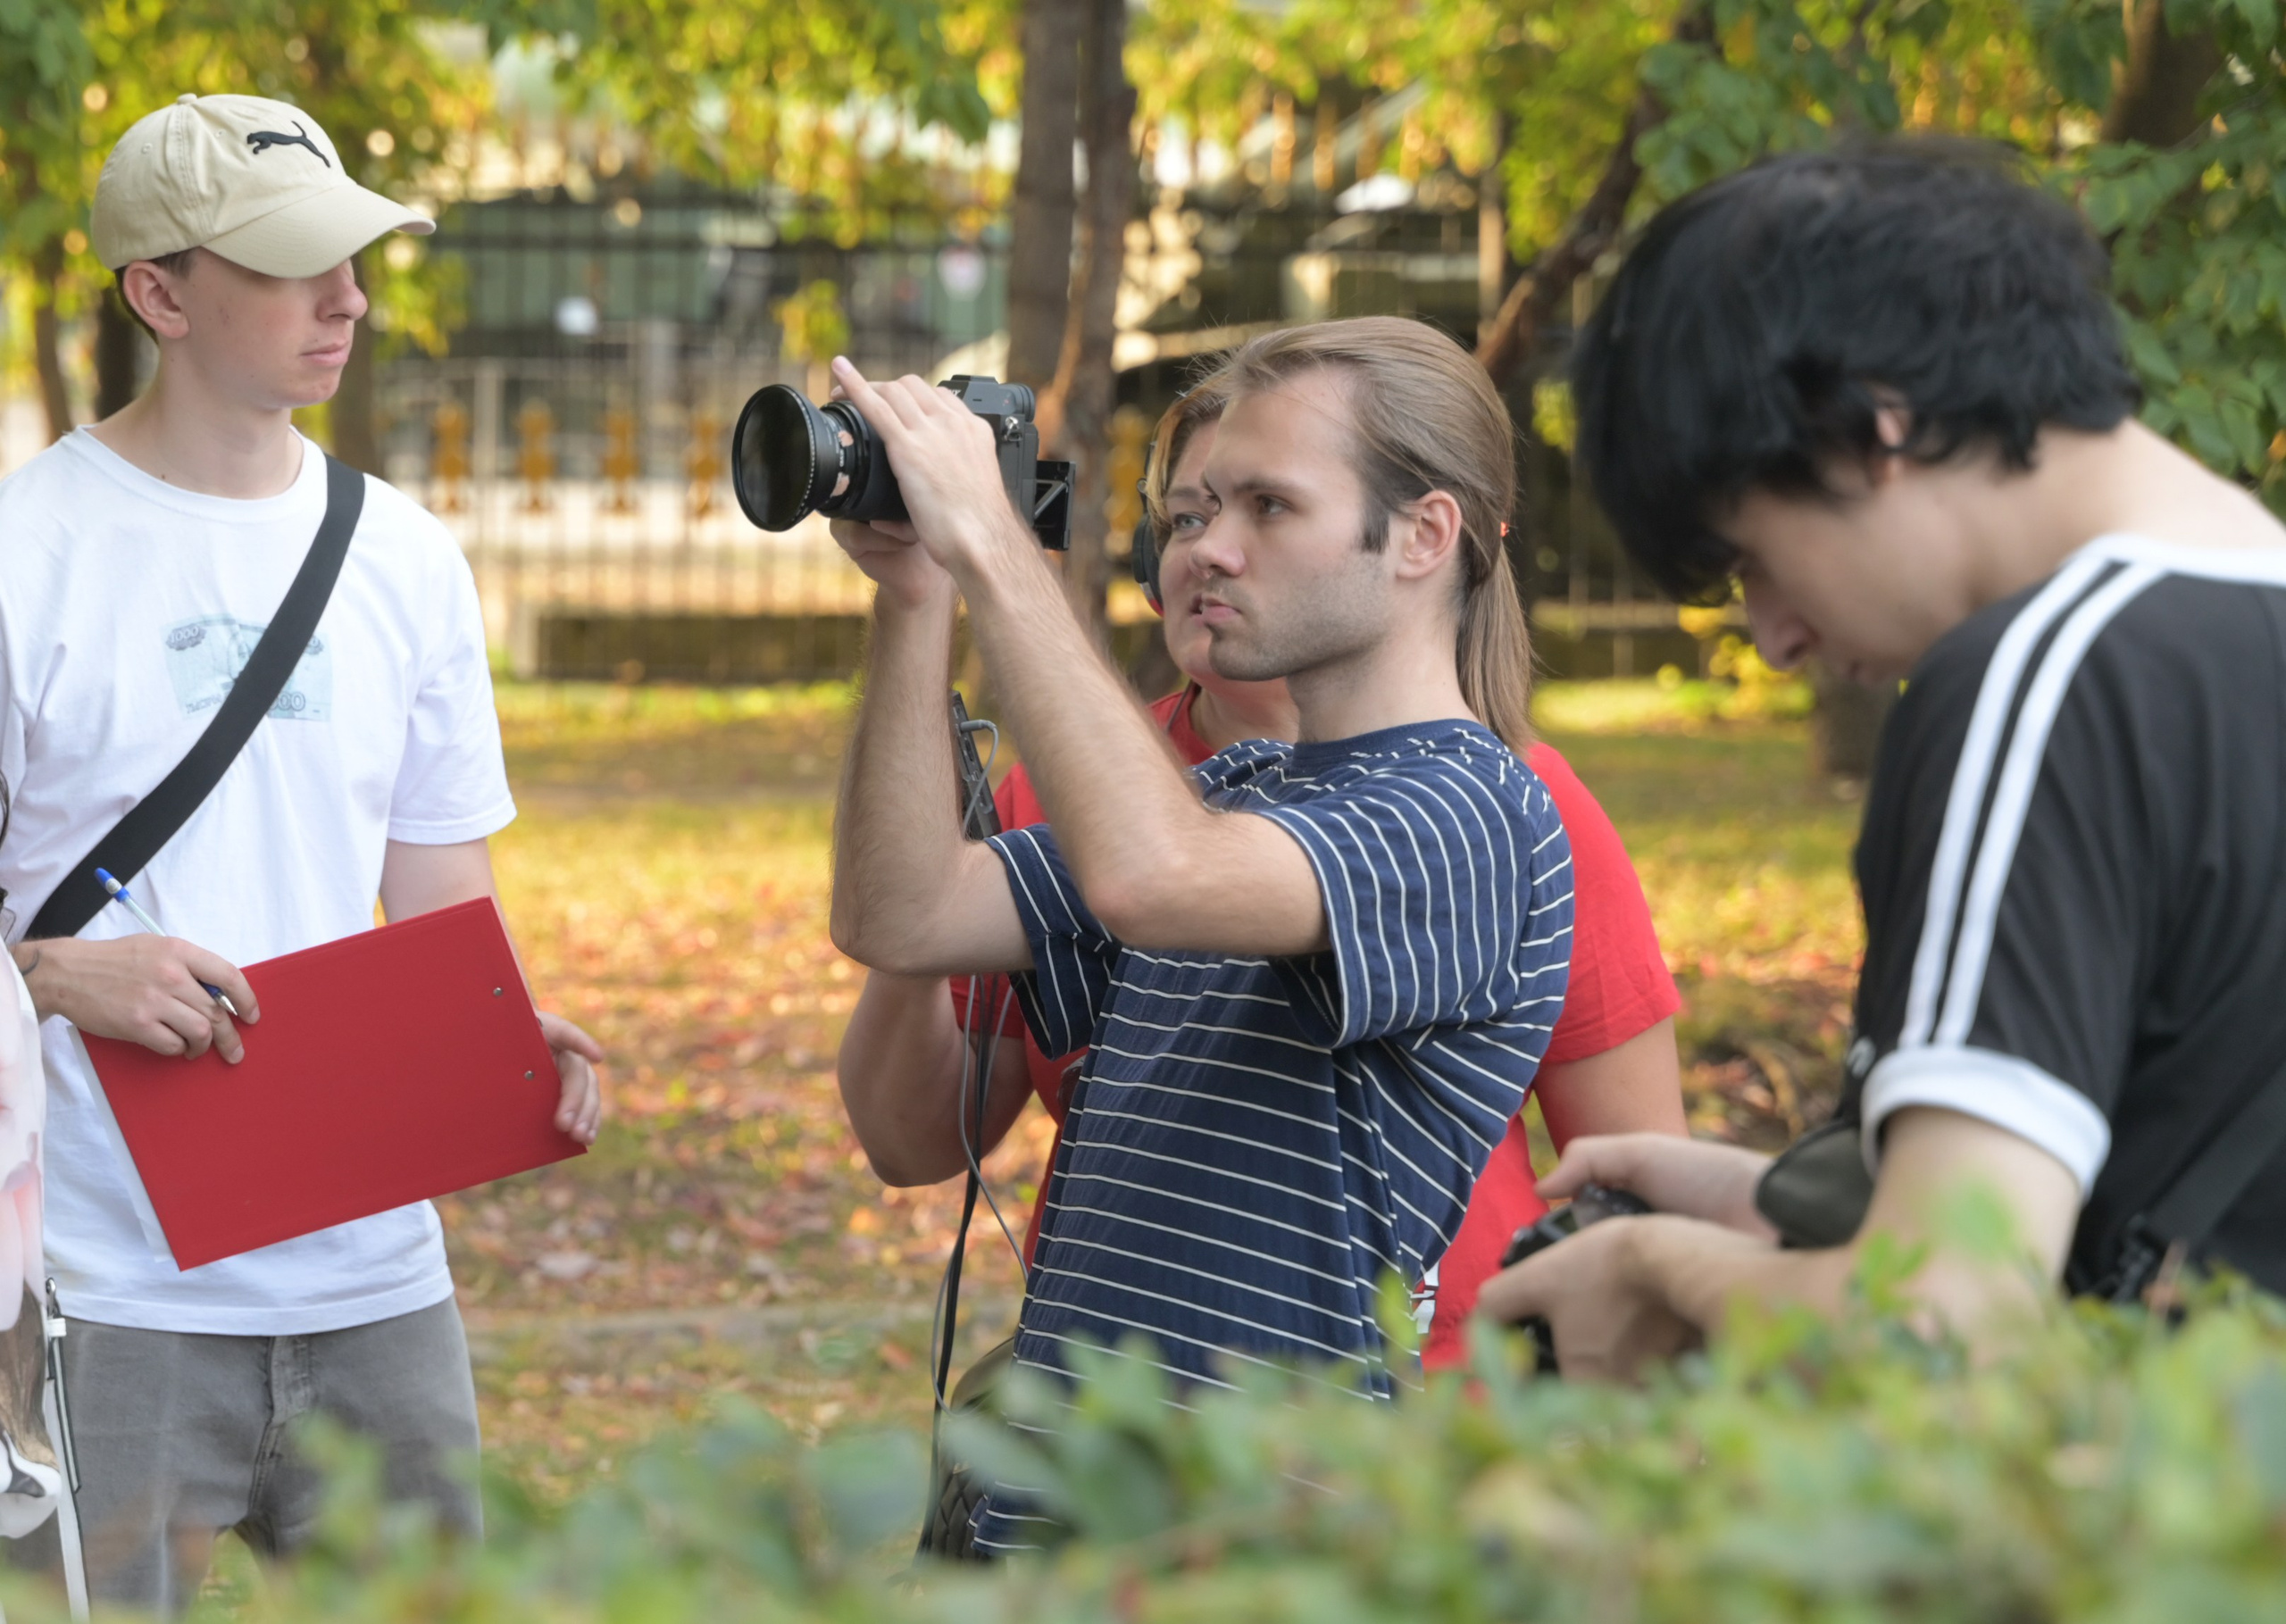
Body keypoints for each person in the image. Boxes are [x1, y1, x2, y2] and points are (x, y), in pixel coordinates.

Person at [1480, 142, 2286, 1379]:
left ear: (1867, 430)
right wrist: (1779, 1206)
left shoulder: (2046, 681)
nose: (1774, 634)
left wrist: (1649, 1273)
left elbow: (1947, 1326)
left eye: (1750, 557)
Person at [829, 314, 1579, 1551]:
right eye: (1188, 515)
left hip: (1242, 1547)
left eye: (1270, 508)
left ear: (1425, 538)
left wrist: (997, 543)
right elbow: (900, 914)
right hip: (1051, 1532)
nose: (1206, 552)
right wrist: (918, 594)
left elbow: (1150, 875)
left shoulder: (1475, 812)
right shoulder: (1230, 801)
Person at [0, 94, 604, 1612]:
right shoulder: (28, 552)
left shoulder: (404, 554)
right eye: (293, 264)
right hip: (99, 1289)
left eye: (356, 256)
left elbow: (438, 914)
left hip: (375, 1281)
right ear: (160, 293)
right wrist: (57, 975)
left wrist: (497, 1038)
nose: (347, 298)